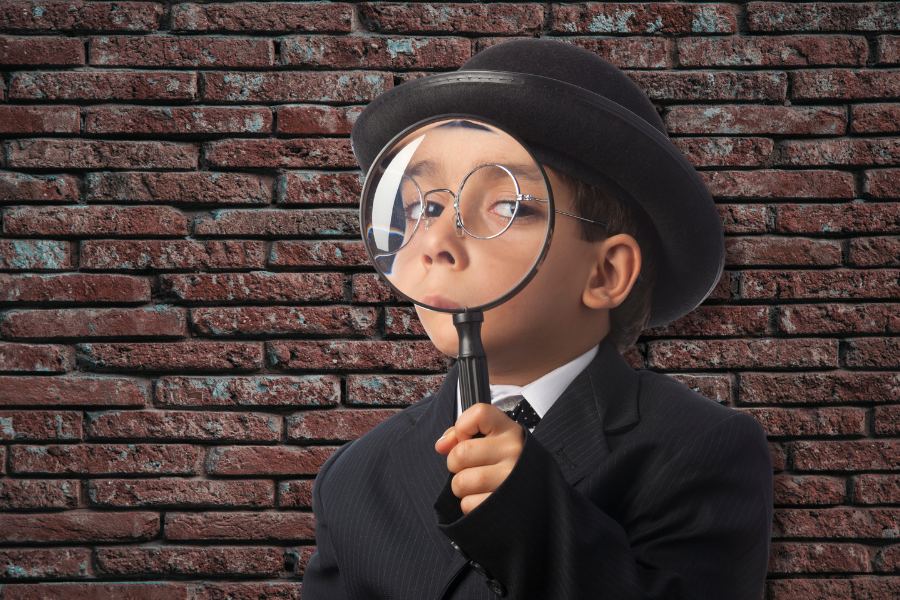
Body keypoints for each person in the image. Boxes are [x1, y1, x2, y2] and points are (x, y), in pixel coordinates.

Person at [301, 39, 773, 600]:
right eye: (421, 207)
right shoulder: (356, 478)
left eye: (507, 208)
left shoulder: (702, 447)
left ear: (606, 273)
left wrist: (530, 513)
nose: (437, 244)